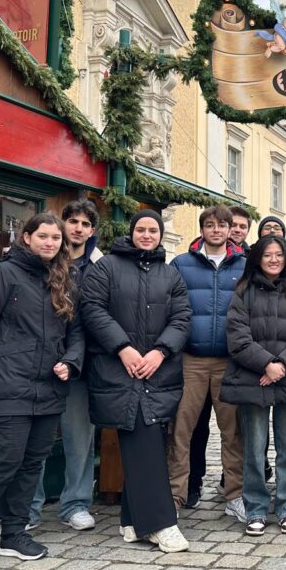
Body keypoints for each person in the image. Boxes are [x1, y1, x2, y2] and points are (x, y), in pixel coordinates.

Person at [0, 213, 84, 570]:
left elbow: (76, 333)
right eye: (43, 236)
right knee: (3, 463)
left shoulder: (63, 279)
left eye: (56, 238)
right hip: (5, 385)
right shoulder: (2, 275)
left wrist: (71, 362)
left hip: (48, 389)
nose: (50, 243)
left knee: (32, 464)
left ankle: (13, 535)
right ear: (26, 237)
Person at [81, 210, 193, 552]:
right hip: (120, 370)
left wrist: (161, 351)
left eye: (152, 230)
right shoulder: (107, 267)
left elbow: (182, 317)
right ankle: (159, 523)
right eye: (141, 229)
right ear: (131, 233)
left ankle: (131, 520)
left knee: (148, 439)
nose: (147, 235)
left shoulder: (169, 274)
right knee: (144, 441)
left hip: (157, 370)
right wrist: (123, 348)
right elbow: (92, 309)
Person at [223, 236, 286, 536]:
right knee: (254, 449)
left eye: (279, 255)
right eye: (267, 255)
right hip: (253, 378)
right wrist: (266, 364)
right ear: (257, 259)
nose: (274, 260)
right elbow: (237, 337)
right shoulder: (244, 292)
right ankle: (256, 509)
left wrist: (282, 365)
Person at [167, 206, 247, 522]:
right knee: (181, 430)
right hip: (191, 360)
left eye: (222, 225)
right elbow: (170, 307)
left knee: (233, 432)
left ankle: (235, 495)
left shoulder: (243, 265)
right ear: (202, 229)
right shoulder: (181, 264)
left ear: (229, 230)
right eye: (210, 225)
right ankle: (175, 495)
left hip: (230, 361)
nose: (216, 230)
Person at [29, 200, 102, 532]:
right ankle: (29, 507)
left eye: (85, 224)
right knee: (34, 441)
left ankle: (75, 503)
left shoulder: (101, 265)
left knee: (80, 439)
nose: (78, 228)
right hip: (40, 364)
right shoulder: (44, 262)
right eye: (73, 221)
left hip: (82, 366)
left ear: (92, 230)